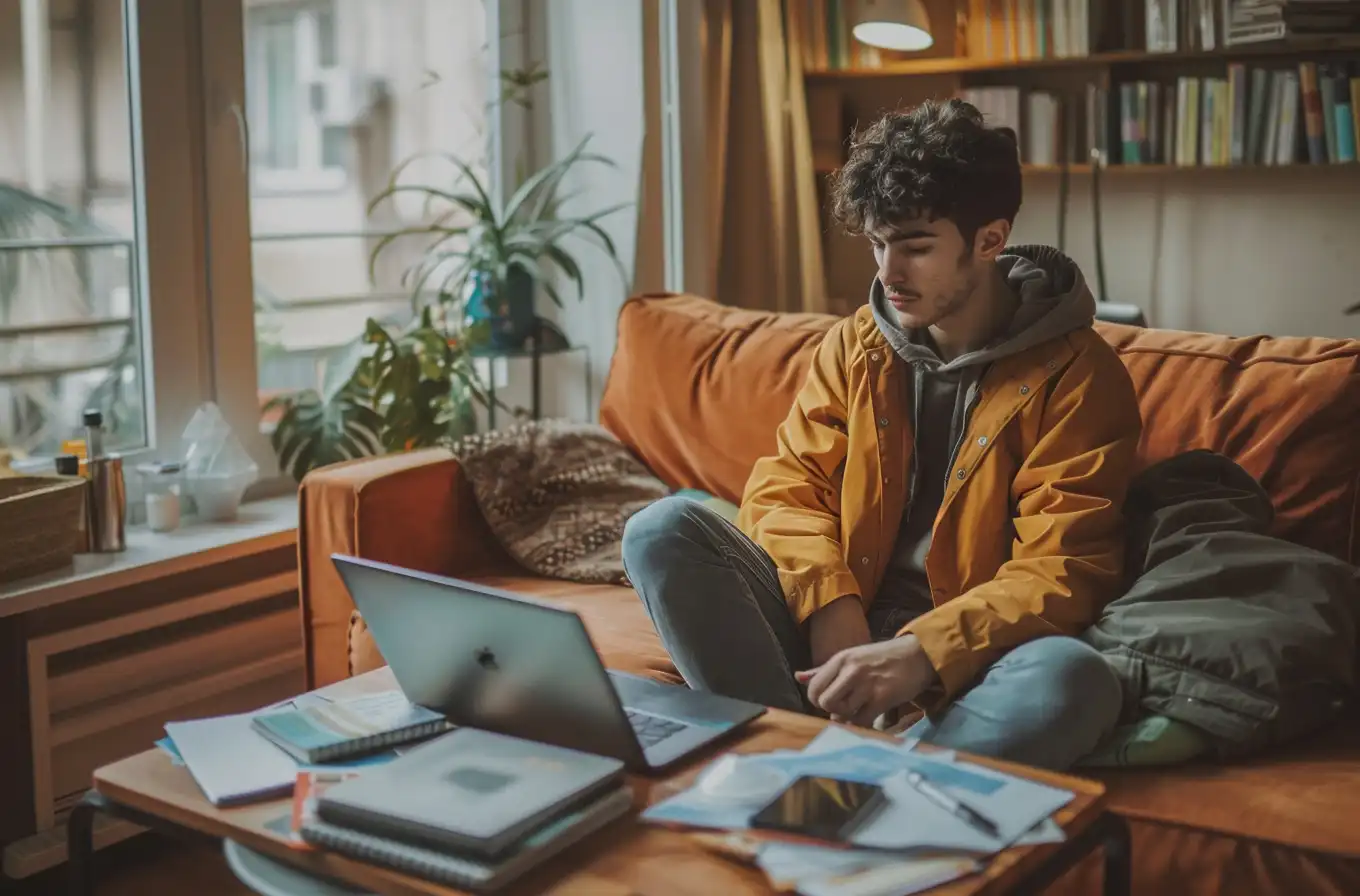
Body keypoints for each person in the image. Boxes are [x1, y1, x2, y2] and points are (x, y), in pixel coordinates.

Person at [622, 99, 1143, 771]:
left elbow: (1062, 569)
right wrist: (829, 602)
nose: (888, 273)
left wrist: (923, 653)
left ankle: (867, 781)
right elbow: (788, 488)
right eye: (877, 243)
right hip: (834, 633)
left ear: (990, 240)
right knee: (660, 529)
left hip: (968, 663)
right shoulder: (855, 346)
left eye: (916, 247)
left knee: (1075, 680)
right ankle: (794, 766)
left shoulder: (1080, 376)